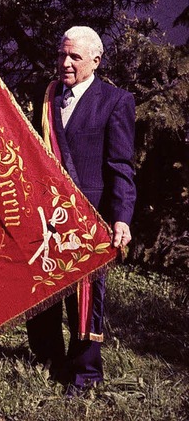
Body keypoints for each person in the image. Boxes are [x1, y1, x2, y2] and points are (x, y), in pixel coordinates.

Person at [27, 26, 136, 393]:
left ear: (95, 60)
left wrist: (121, 218)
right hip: (45, 214)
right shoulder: (45, 97)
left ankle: (85, 373)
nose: (66, 63)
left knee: (85, 299)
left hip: (90, 216)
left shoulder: (115, 101)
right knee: (42, 290)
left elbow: (121, 166)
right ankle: (46, 360)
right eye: (62, 54)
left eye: (74, 56)